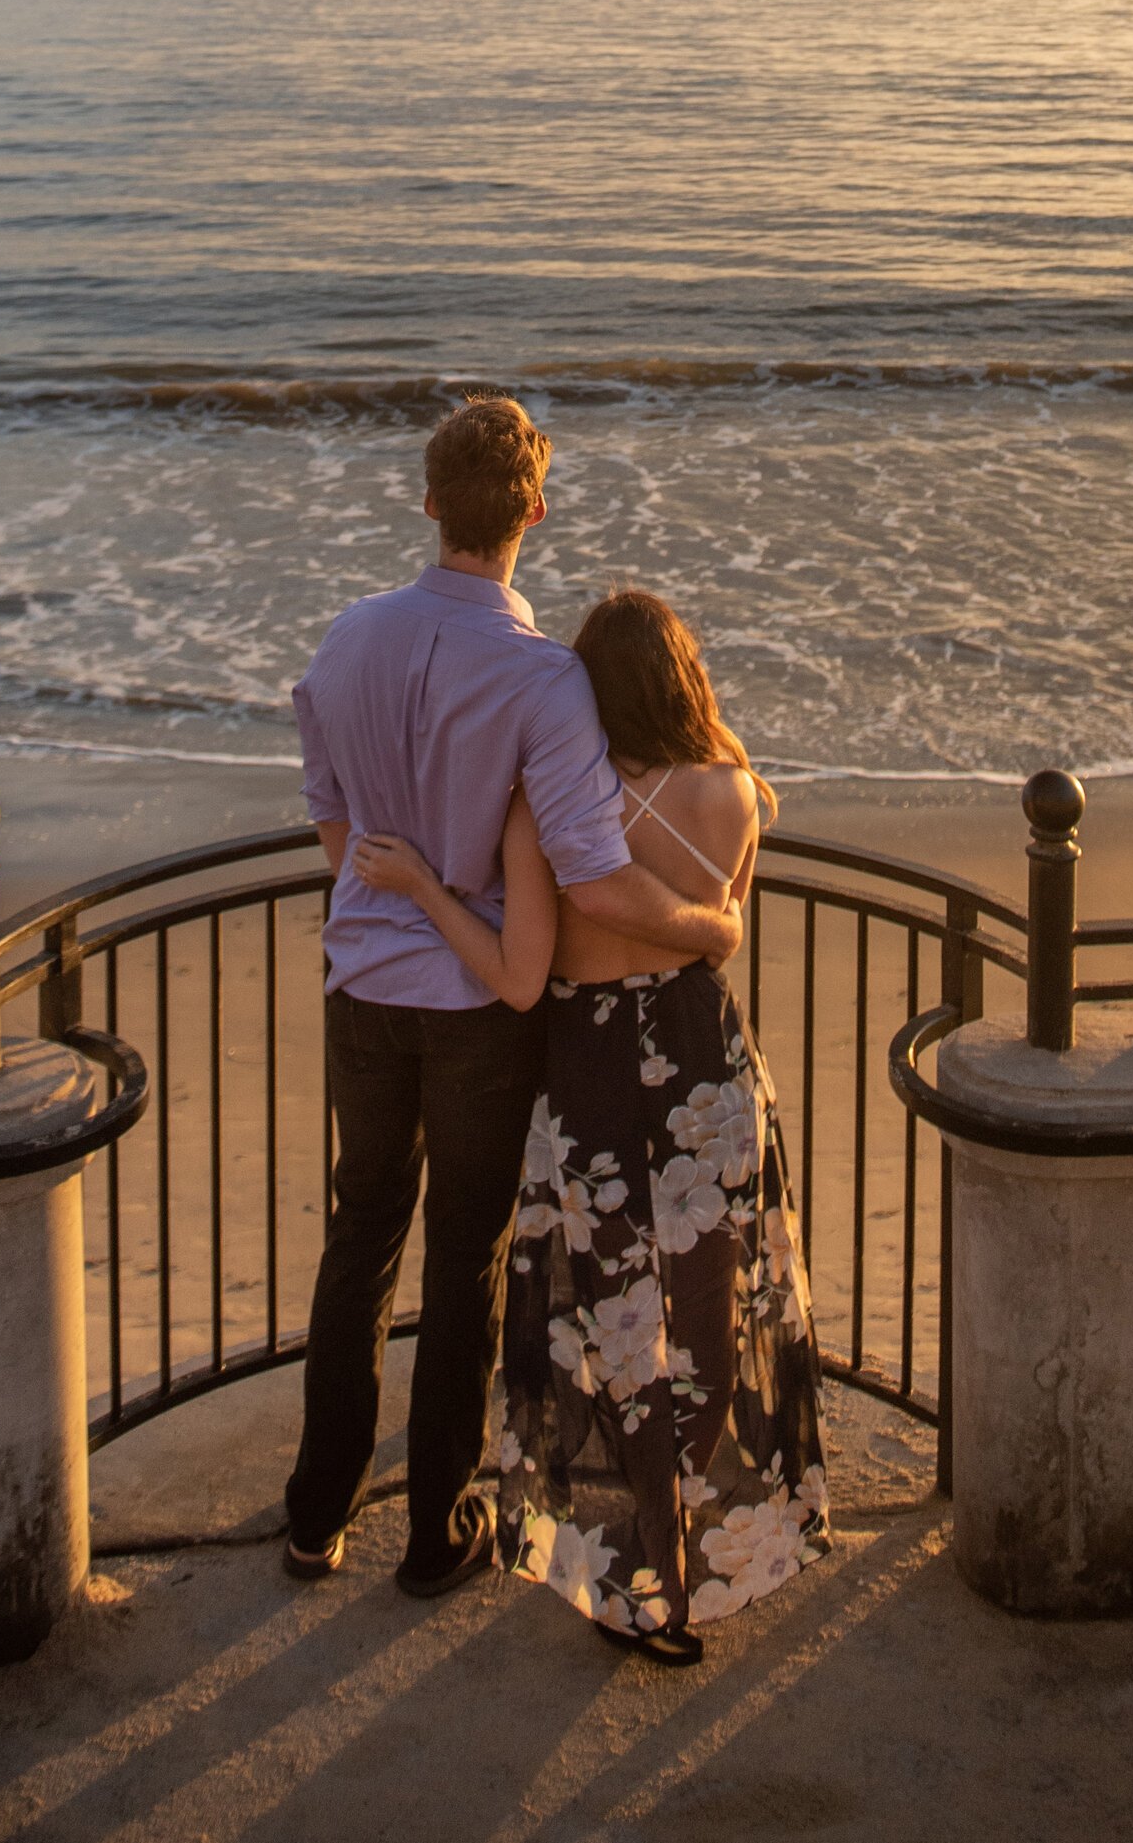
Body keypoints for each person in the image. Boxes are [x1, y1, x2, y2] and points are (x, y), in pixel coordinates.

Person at [283, 400, 742, 1597]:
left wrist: (393, 888)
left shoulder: (345, 642)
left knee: (361, 1230)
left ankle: (314, 1512)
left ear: (429, 502)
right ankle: (435, 1532)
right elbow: (591, 870)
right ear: (534, 511)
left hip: (364, 987)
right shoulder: (544, 681)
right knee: (463, 1256)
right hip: (481, 1003)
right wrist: (709, 926)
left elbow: (335, 830)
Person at [354, 583, 829, 1662]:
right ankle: (682, 1555)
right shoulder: (737, 792)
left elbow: (520, 980)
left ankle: (640, 1559)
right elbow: (721, 935)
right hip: (706, 1062)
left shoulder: (547, 807)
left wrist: (428, 889)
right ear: (685, 676)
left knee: (614, 1324)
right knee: (705, 1315)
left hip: (590, 1074)